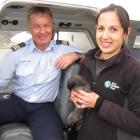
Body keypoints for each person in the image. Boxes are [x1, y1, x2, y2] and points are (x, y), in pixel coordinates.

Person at [0, 6, 82, 140]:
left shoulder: (64, 48)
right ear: (29, 29)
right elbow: (1, 81)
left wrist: (76, 55)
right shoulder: (17, 52)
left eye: (46, 26)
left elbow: (91, 56)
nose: (42, 31)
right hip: (17, 102)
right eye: (36, 26)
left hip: (43, 108)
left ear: (52, 27)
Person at [69, 4, 140, 140]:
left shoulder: (134, 70)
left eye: (113, 29)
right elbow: (85, 92)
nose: (105, 36)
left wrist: (98, 103)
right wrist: (77, 97)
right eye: (101, 29)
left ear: (126, 33)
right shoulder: (88, 59)